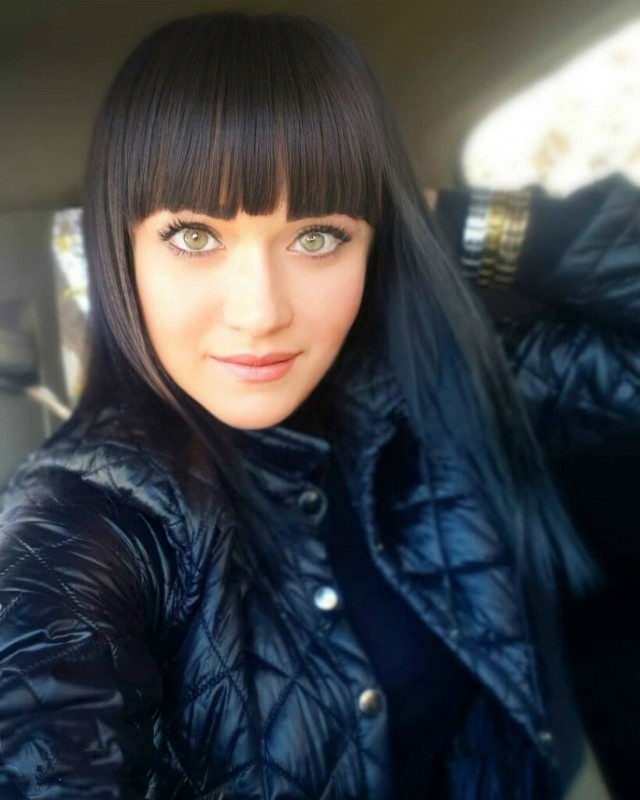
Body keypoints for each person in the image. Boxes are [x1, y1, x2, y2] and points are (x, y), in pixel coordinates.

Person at [0, 12, 609, 800]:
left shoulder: (431, 384)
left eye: (318, 236)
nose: (260, 313)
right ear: (123, 250)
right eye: (194, 236)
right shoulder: (83, 518)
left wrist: (452, 221)